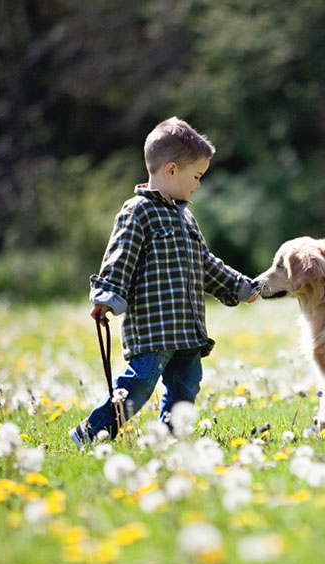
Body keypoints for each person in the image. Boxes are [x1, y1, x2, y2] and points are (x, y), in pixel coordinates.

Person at [70, 117, 257, 449]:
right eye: (196, 177)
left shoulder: (185, 217)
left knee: (186, 387)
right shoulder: (137, 211)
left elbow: (204, 264)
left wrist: (238, 286)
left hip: (187, 329)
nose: (198, 185)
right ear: (171, 170)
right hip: (154, 328)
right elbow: (120, 255)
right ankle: (91, 432)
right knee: (139, 384)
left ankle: (170, 438)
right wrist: (107, 296)